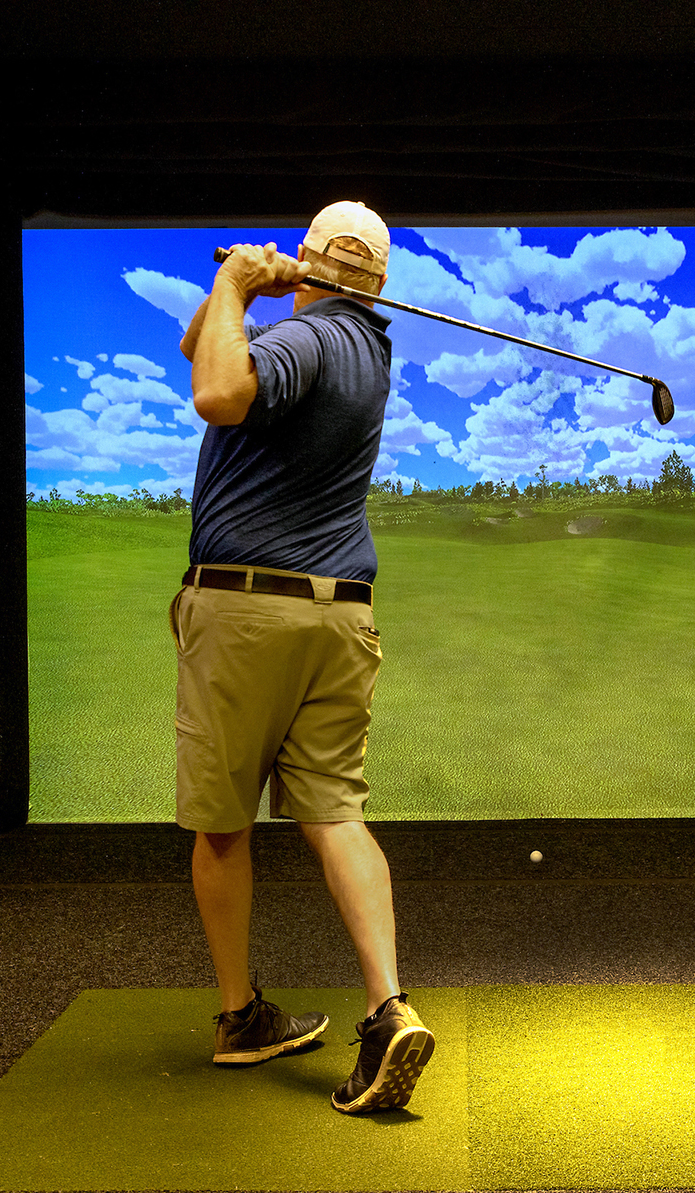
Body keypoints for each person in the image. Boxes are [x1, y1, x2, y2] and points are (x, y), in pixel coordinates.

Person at [171, 201, 434, 1114]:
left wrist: (239, 280)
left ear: (314, 264)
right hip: (339, 620)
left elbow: (215, 393)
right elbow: (200, 346)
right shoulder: (368, 350)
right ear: (378, 283)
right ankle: (388, 1008)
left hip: (248, 614)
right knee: (336, 815)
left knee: (222, 825)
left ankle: (240, 1016)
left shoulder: (307, 341)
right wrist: (239, 291)